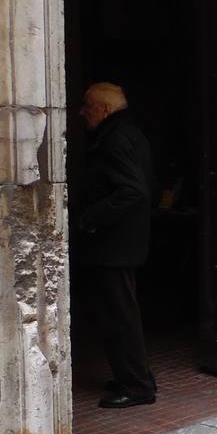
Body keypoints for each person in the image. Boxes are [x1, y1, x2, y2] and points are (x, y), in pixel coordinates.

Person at [72, 82, 157, 408]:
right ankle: (135, 377)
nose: (82, 112)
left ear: (104, 109)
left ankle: (136, 387)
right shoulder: (129, 133)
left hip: (114, 247)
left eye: (87, 106)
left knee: (120, 316)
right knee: (122, 313)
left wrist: (89, 218)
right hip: (122, 246)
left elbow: (133, 191)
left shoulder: (116, 138)